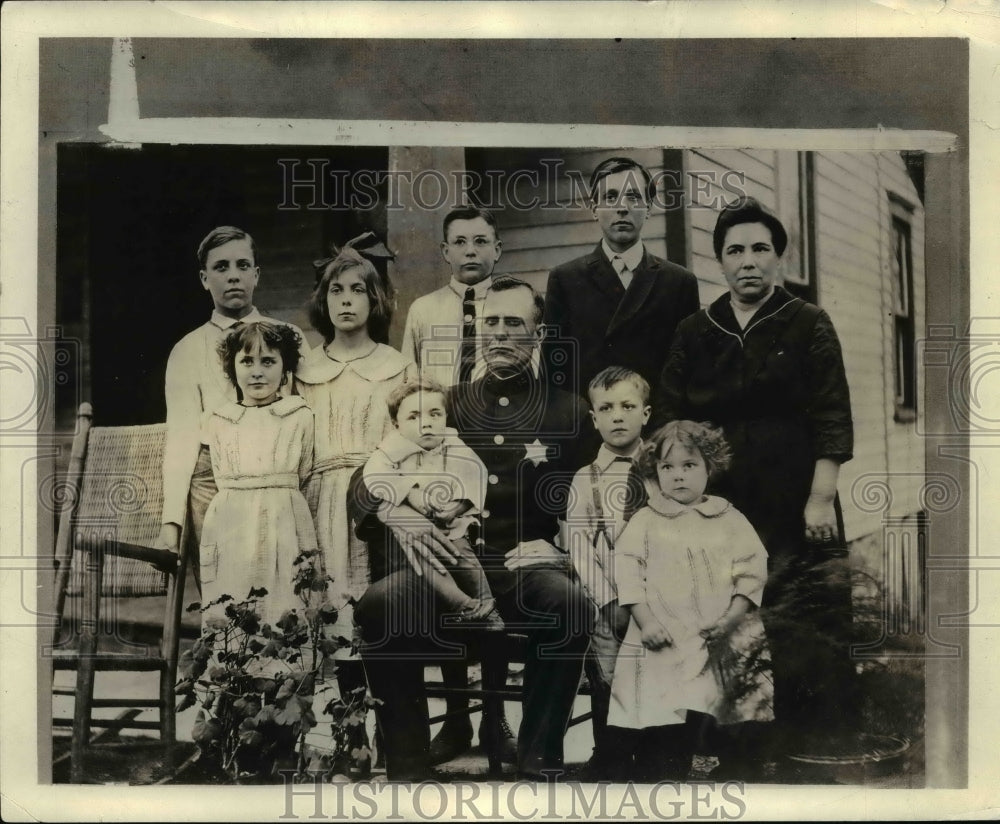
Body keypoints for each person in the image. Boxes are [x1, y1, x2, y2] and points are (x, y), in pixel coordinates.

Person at [350, 276, 595, 781]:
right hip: (446, 568)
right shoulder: (448, 402)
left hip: (523, 566)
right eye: (491, 323)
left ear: (539, 333)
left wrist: (562, 552)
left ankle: (538, 755)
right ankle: (407, 764)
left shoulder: (568, 411)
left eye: (514, 323)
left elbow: (594, 500)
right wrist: (394, 510)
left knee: (570, 605)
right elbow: (364, 481)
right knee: (380, 603)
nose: (500, 334)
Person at [655, 195, 857, 754]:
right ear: (719, 261)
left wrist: (820, 499)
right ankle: (738, 745)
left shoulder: (809, 322)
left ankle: (814, 743)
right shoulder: (696, 330)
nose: (749, 260)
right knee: (730, 616)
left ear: (780, 259)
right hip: (722, 500)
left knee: (801, 611)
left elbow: (832, 414)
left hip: (796, 496)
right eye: (735, 250)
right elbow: (670, 416)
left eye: (761, 249)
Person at [606, 420, 773, 782]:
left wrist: (732, 618)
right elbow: (628, 572)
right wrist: (646, 621)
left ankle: (738, 769)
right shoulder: (647, 521)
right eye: (667, 467)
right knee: (665, 705)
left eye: (689, 465)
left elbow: (751, 570)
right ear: (655, 472)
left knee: (730, 697)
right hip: (664, 630)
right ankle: (664, 770)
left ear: (709, 466)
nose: (678, 476)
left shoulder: (729, 518)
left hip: (721, 629)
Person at [294, 246, 417, 723]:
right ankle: (347, 734)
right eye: (336, 291)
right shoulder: (304, 371)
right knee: (331, 605)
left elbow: (410, 439)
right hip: (321, 497)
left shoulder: (396, 365)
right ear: (323, 302)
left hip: (378, 500)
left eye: (358, 291)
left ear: (376, 300)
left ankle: (393, 731)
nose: (346, 301)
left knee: (376, 605)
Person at [157, 226, 308, 574]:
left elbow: (308, 409)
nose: (234, 276)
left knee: (286, 578)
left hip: (279, 472)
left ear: (256, 274)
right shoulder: (187, 350)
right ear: (204, 278)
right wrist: (171, 522)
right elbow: (181, 439)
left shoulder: (289, 337)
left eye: (242, 265)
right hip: (215, 479)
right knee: (225, 587)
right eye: (221, 267)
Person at [543, 157, 700, 397]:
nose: (622, 207)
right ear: (594, 209)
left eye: (634, 197)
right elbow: (554, 374)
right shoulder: (565, 280)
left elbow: (689, 372)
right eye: (610, 197)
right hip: (590, 425)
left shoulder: (679, 282)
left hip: (656, 428)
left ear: (648, 208)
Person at [564, 366, 651, 779]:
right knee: (608, 676)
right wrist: (608, 598)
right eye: (606, 408)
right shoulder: (584, 479)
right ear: (594, 418)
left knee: (658, 675)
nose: (618, 416)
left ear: (646, 413)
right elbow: (579, 546)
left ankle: (658, 756)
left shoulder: (664, 473)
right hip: (610, 600)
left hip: (656, 599)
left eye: (628, 406)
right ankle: (611, 755)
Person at [198, 321, 316, 625]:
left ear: (285, 367)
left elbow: (304, 469)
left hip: (285, 517)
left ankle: (288, 671)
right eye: (247, 361)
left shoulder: (299, 416)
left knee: (286, 594)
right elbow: (218, 470)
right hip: (232, 521)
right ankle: (234, 673)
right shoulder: (220, 419)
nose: (257, 371)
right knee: (234, 595)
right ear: (232, 368)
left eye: (268, 361)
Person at [362, 378, 502, 630]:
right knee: (429, 564)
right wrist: (410, 493)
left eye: (434, 414)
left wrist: (458, 506)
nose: (426, 423)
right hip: (414, 534)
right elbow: (373, 474)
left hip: (451, 524)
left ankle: (488, 607)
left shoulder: (454, 444)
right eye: (413, 417)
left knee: (465, 558)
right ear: (396, 424)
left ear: (446, 416)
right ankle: (464, 605)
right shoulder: (391, 449)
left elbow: (475, 472)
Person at [401, 206, 502, 388]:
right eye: (460, 242)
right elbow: (408, 383)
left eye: (480, 241)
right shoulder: (422, 310)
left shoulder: (512, 306)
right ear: (446, 251)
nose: (470, 251)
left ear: (497, 250)